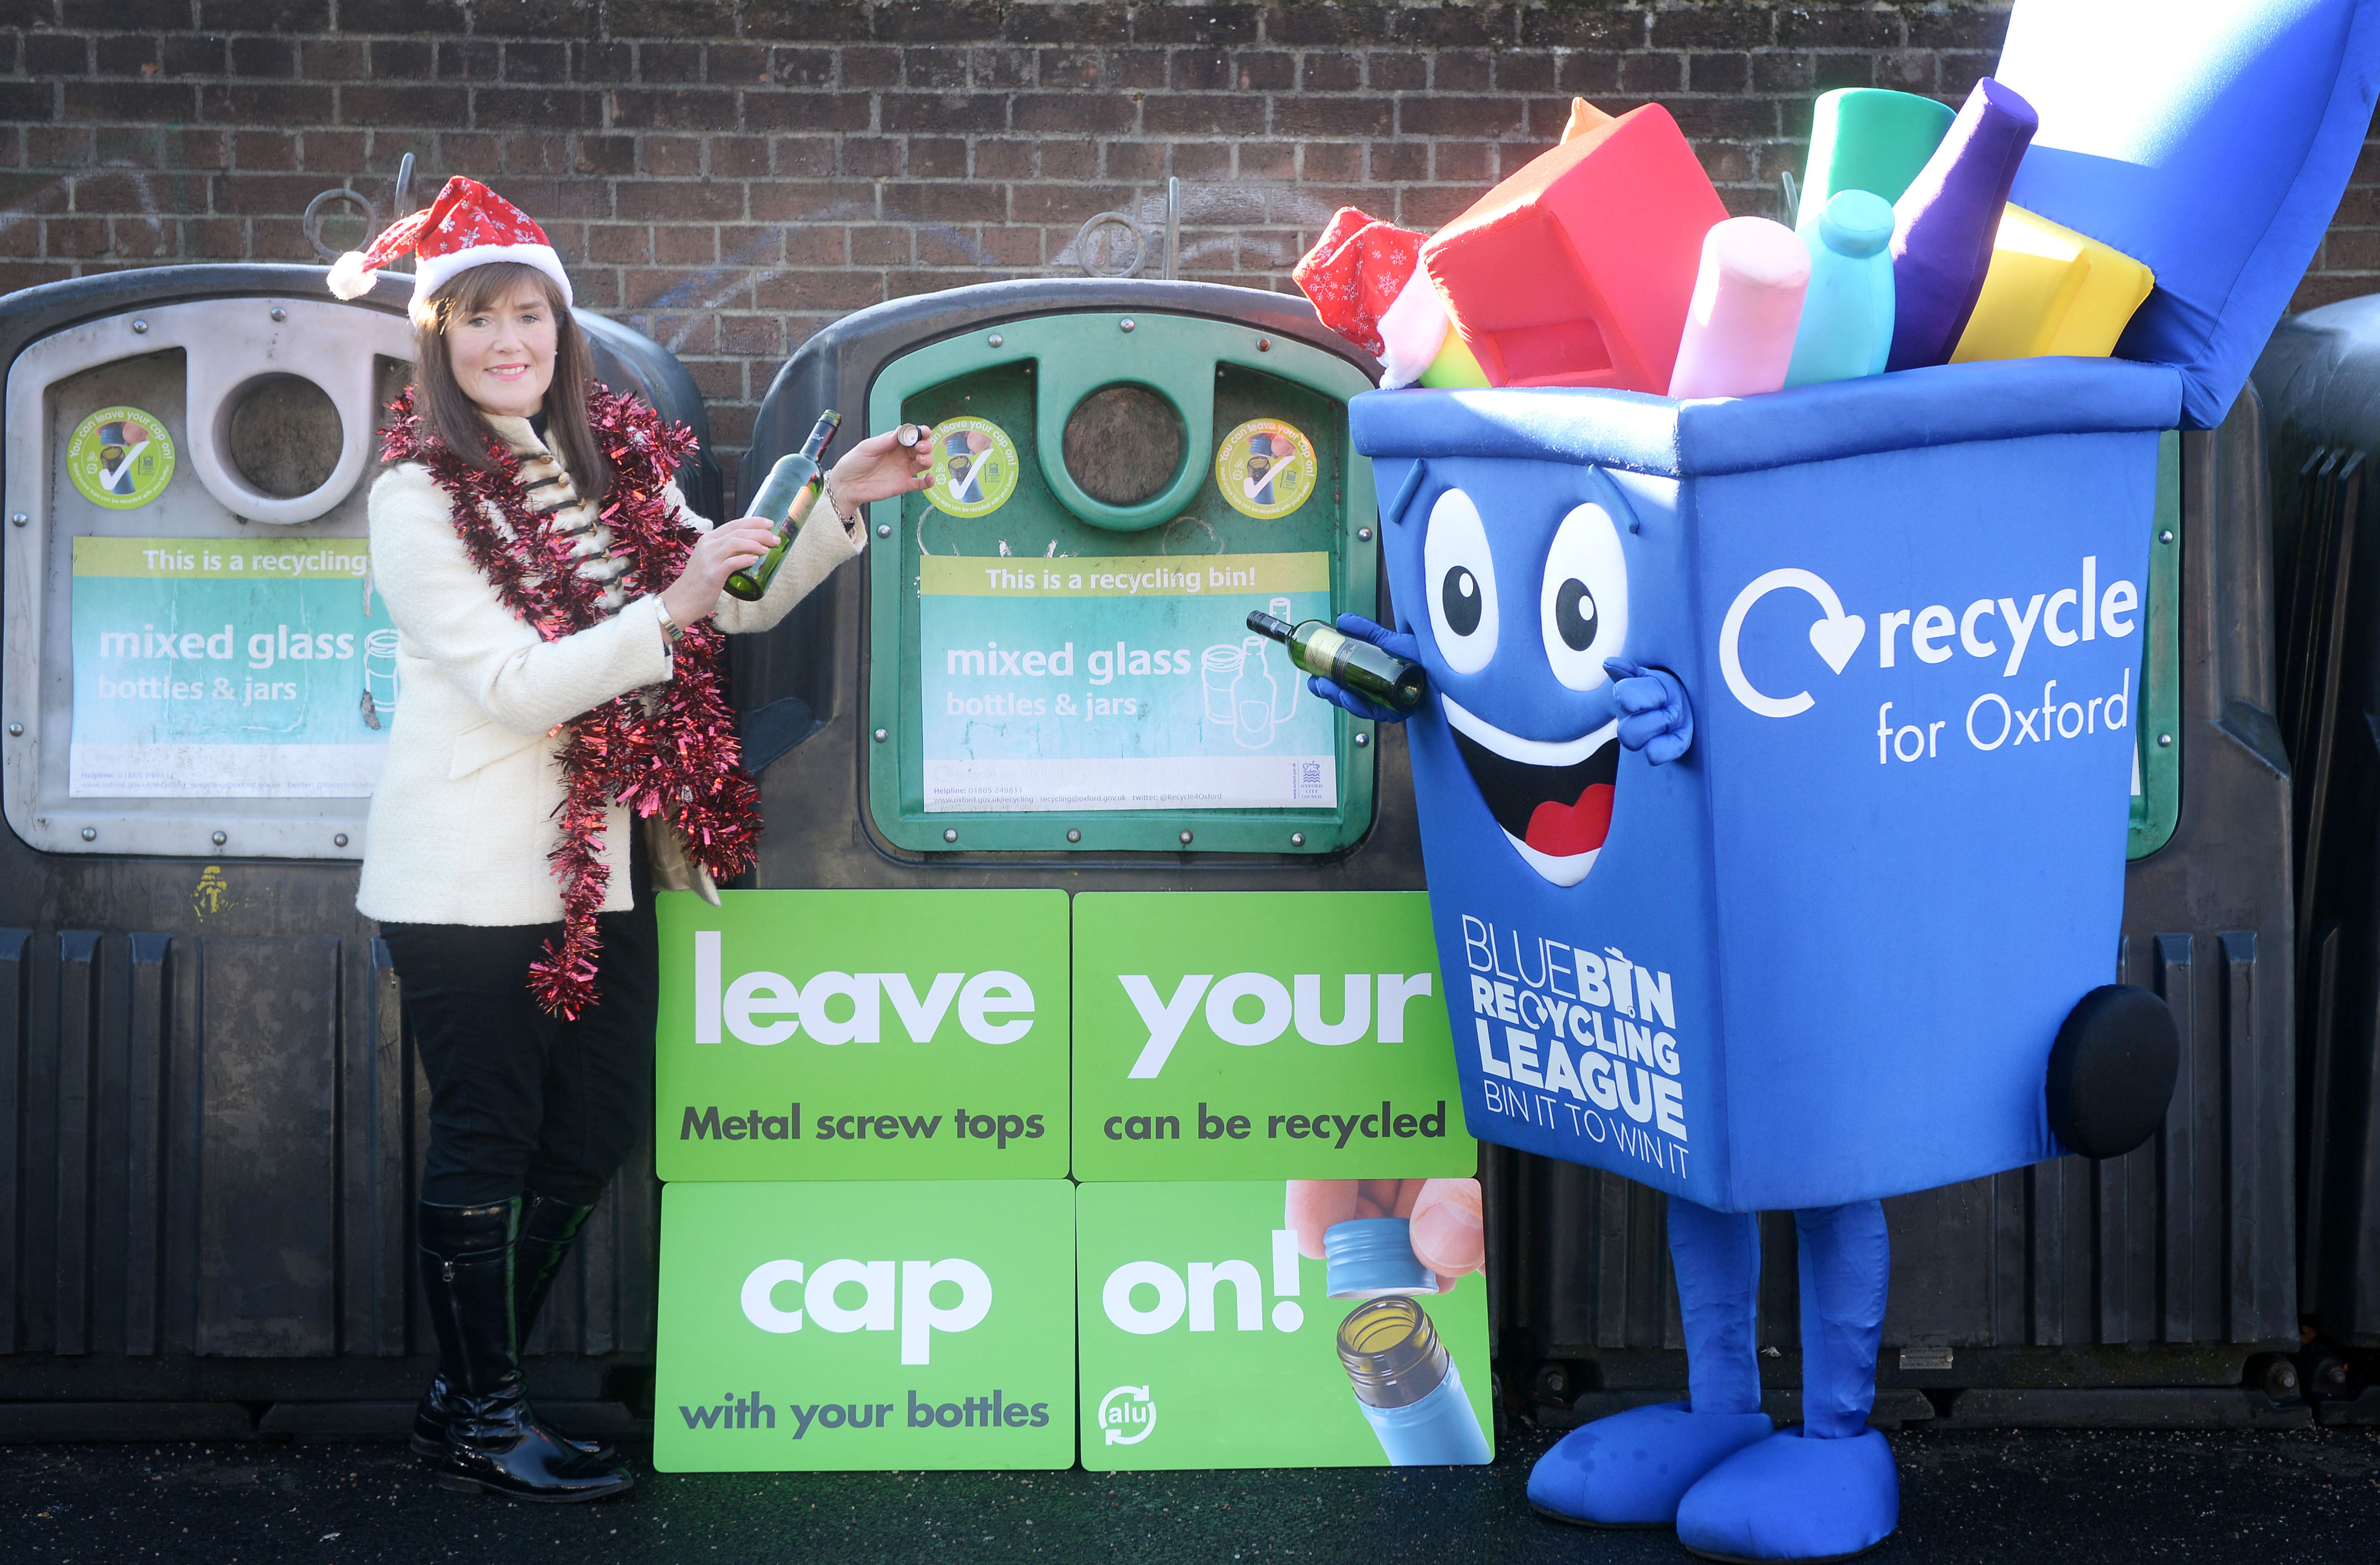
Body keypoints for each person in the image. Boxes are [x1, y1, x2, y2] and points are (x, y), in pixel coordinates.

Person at [327, 177, 931, 1502]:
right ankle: (486, 1416)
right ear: (436, 341)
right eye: (477, 321)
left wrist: (839, 502)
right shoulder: (416, 499)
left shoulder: (607, 458)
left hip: (603, 864)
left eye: (527, 317)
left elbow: (733, 595)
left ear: (562, 330)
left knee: (591, 1128)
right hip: (469, 874)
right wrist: (679, 603)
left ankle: (459, 1402)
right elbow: (513, 684)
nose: (507, 344)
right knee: (488, 1138)